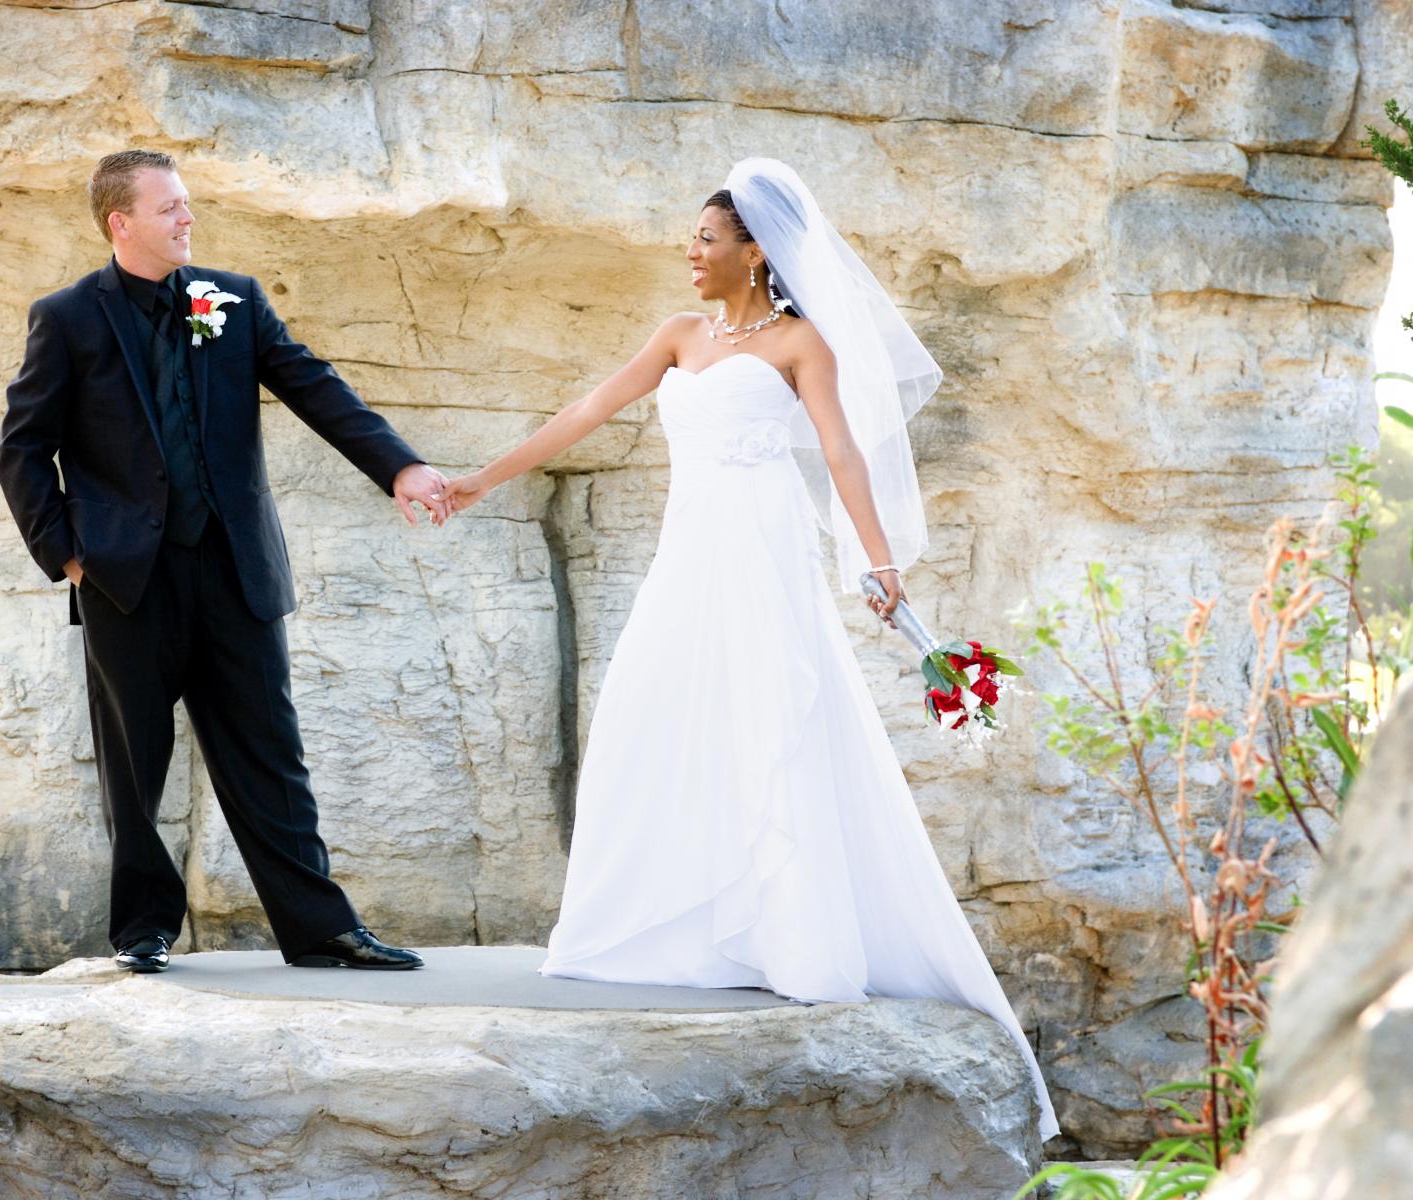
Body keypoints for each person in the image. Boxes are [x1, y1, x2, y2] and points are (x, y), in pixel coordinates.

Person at [442, 158, 1058, 1138]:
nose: (688, 253)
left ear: (754, 250)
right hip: (687, 557)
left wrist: (875, 557)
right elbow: (585, 411)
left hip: (764, 556)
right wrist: (478, 480)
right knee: (653, 715)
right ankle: (666, 928)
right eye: (691, 239)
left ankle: (789, 938)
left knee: (772, 715)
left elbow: (844, 450)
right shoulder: (676, 336)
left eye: (704, 239)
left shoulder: (801, 343)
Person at [0, 150, 447, 975]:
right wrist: (65, 557)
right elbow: (24, 448)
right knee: (134, 761)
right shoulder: (66, 317)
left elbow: (314, 386)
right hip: (125, 578)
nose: (187, 219)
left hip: (235, 567)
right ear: (120, 223)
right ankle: (142, 927)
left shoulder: (229, 299)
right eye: (169, 208)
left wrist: (399, 465)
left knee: (270, 752)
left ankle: (319, 930)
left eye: (187, 205)